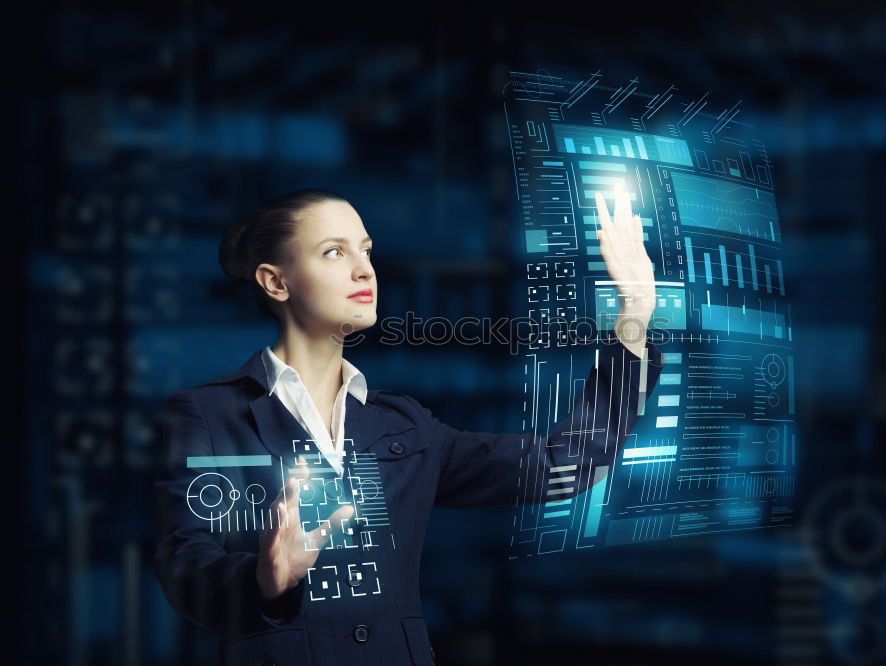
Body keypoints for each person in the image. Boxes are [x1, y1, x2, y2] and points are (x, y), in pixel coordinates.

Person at [153, 186, 664, 665]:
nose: (364, 271)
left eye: (366, 250)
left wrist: (634, 316)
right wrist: (265, 579)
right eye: (334, 252)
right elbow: (185, 565)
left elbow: (563, 465)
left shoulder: (405, 426)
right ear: (275, 281)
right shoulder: (211, 414)